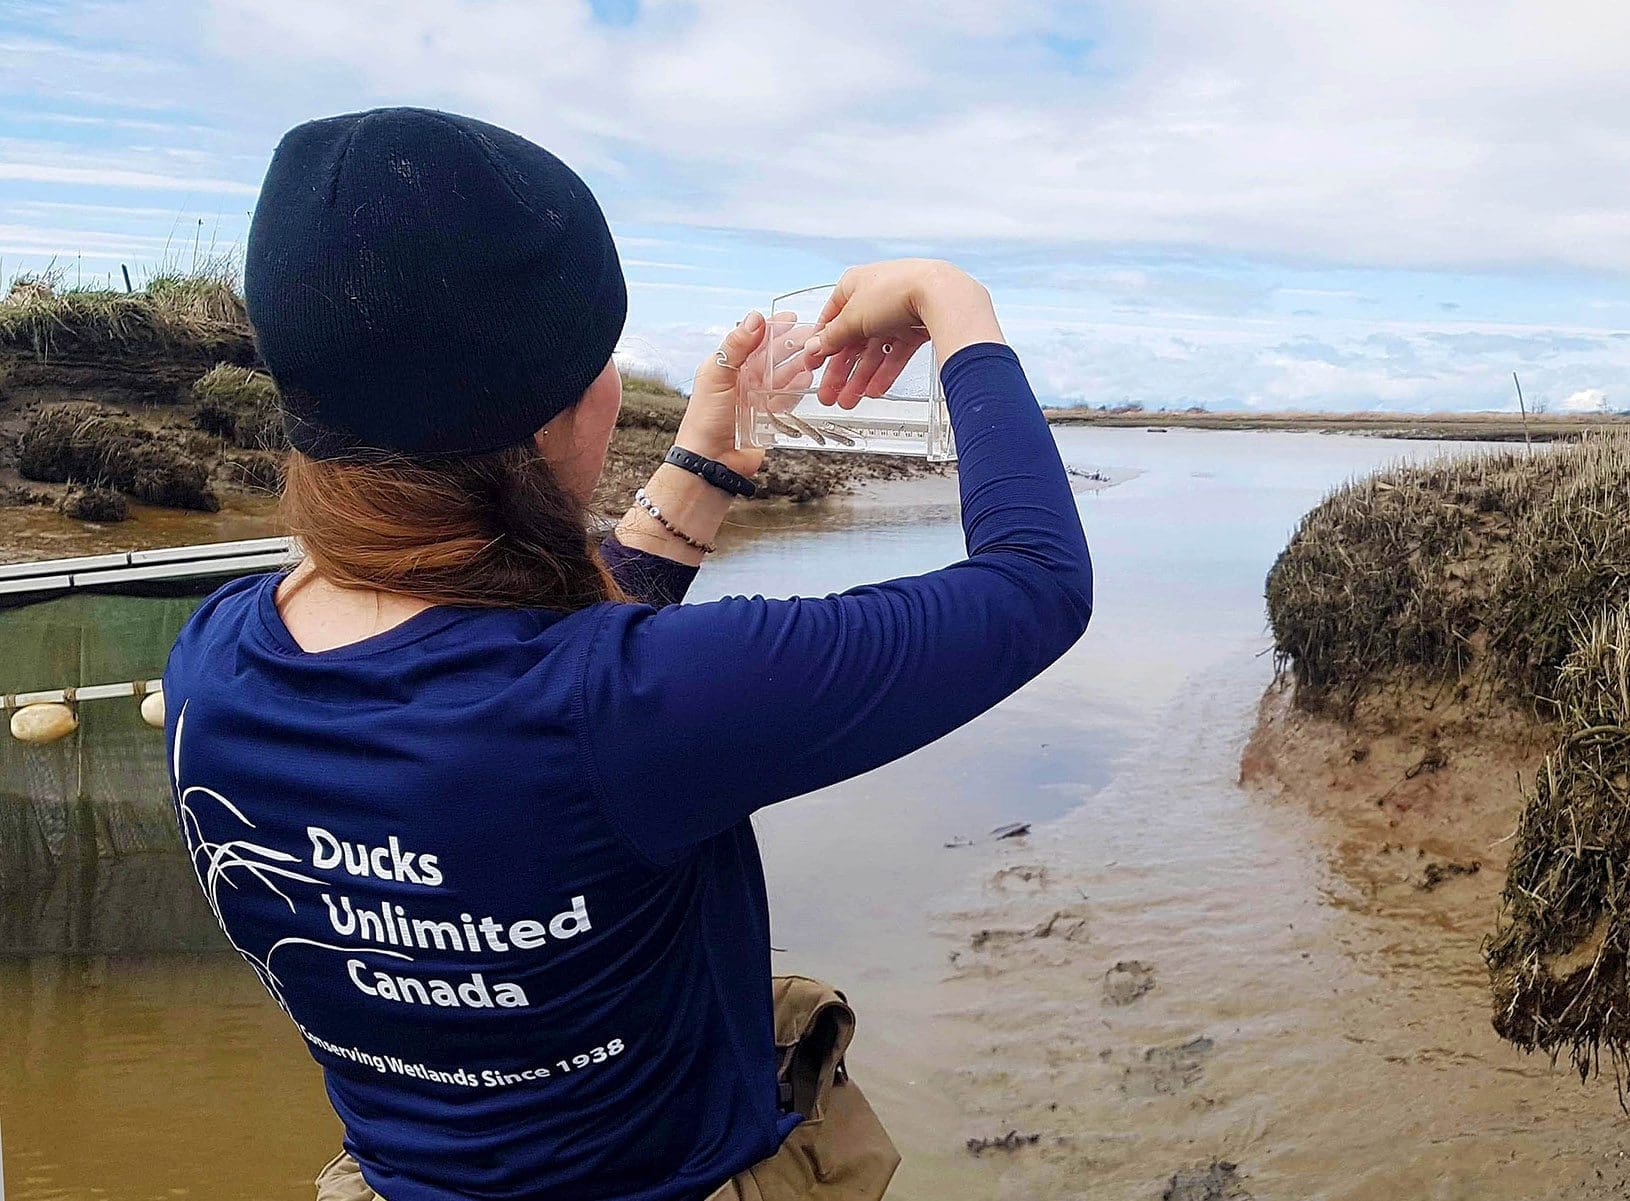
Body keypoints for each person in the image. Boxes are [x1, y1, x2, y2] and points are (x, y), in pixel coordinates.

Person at [161, 107, 1092, 1201]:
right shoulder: (630, 708)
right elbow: (1035, 584)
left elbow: (505, 655)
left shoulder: (215, 659)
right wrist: (954, 301)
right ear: (560, 419)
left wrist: (706, 457)